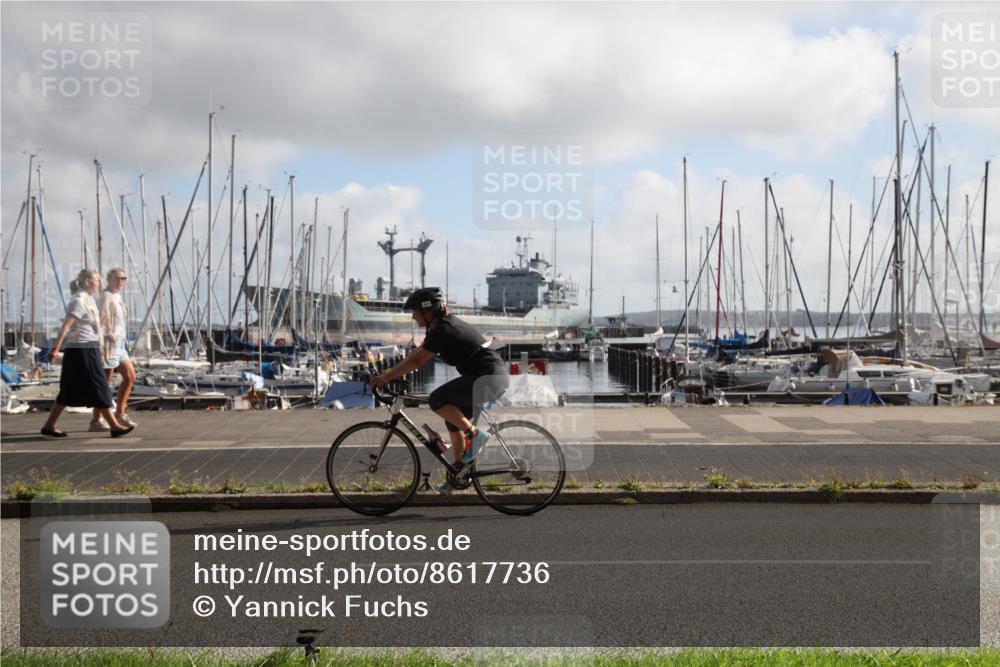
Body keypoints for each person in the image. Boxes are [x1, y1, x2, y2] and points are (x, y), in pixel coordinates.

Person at [369, 287, 508, 492]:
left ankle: (476, 434)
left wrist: (385, 377)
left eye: (415, 312)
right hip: (488, 377)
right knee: (451, 418)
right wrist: (390, 375)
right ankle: (458, 474)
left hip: (487, 378)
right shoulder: (441, 327)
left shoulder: (444, 329)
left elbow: (417, 359)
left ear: (428, 311)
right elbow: (418, 354)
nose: (413, 317)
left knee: (437, 400)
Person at [41, 269, 135, 438]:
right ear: (86, 281)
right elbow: (66, 326)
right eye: (96, 281)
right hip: (81, 350)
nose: (99, 284)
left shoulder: (88, 299)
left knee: (68, 391)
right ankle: (113, 425)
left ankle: (49, 425)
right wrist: (55, 348)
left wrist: (102, 325)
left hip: (87, 348)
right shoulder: (78, 300)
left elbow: (90, 324)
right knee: (100, 385)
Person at [90, 267, 137, 431]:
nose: (121, 281)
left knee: (130, 377)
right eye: (118, 278)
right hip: (109, 345)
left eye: (124, 278)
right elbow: (96, 320)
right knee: (105, 382)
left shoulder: (117, 296)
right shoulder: (106, 296)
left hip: (120, 344)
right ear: (109, 280)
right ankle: (96, 420)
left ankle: (119, 413)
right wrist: (106, 334)